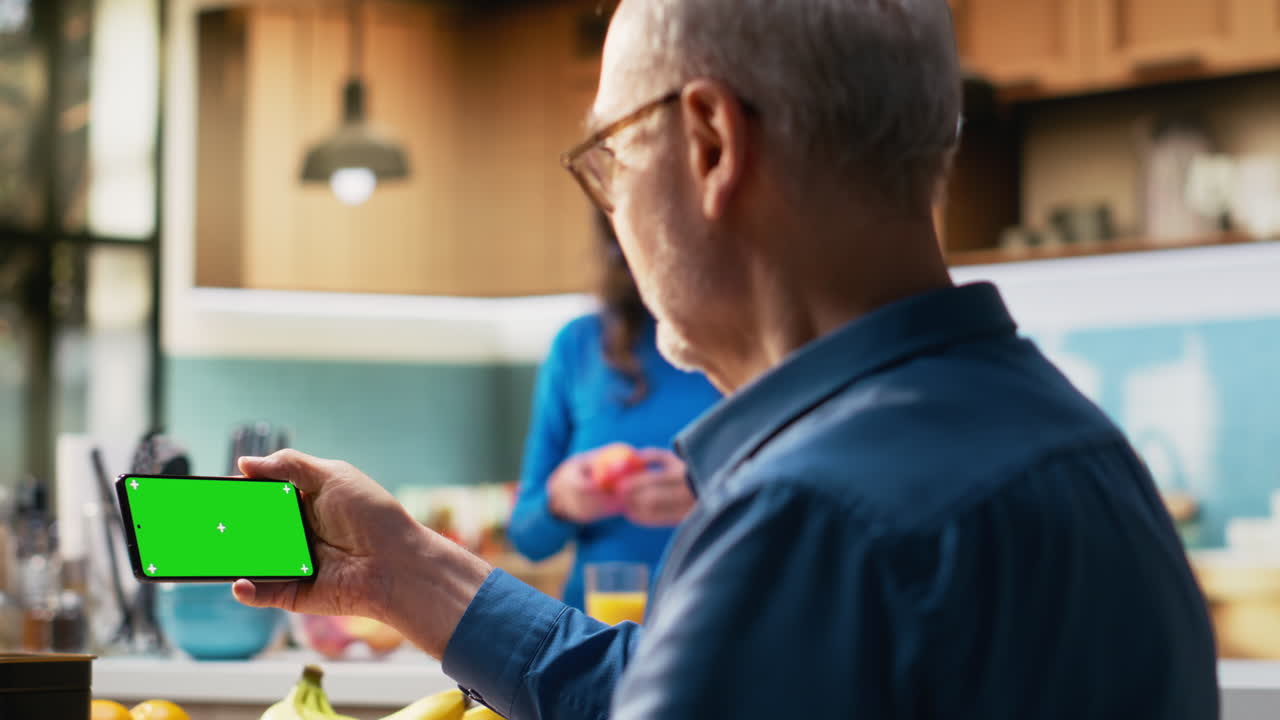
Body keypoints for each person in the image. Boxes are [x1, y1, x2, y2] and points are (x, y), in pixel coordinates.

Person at [232, 1, 1219, 718]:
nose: (609, 208)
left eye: (610, 155)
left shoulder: (808, 521)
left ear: (709, 141)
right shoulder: (1088, 458)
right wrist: (403, 572)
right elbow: (653, 690)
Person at [507, 215, 720, 610]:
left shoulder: (757, 348)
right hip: (599, 633)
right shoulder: (579, 345)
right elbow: (526, 537)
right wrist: (560, 501)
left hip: (716, 619)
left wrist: (714, 497)